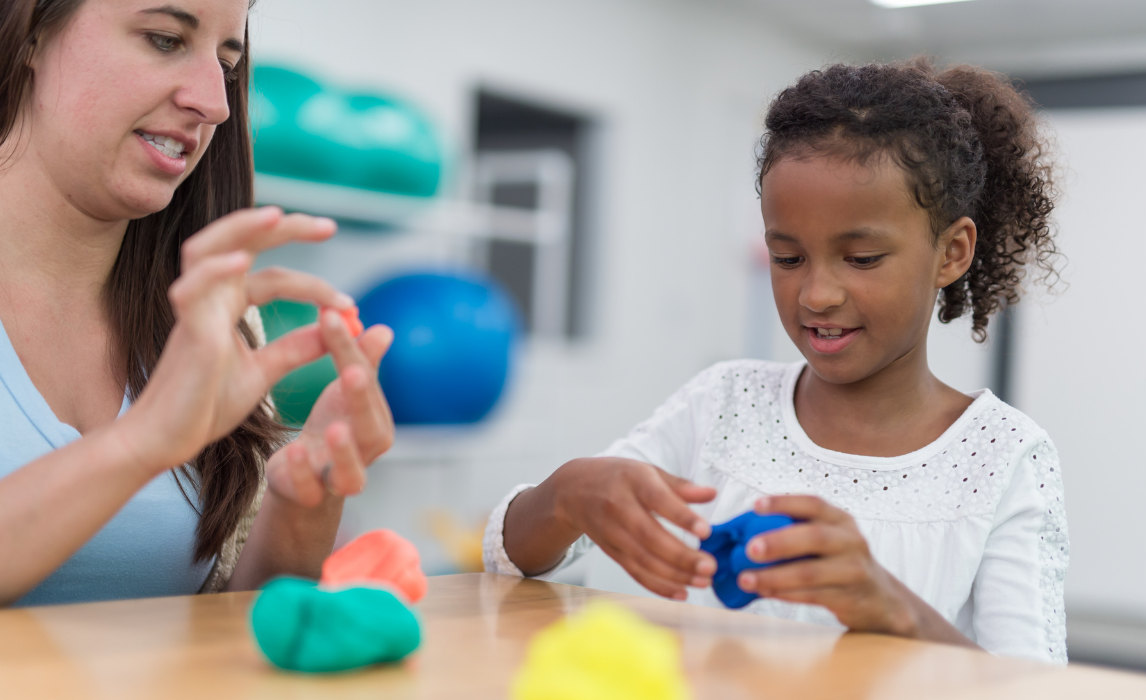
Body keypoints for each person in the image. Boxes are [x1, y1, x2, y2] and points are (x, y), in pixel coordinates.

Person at [485, 59, 1069, 664]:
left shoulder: (1003, 458)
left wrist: (893, 609)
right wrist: (565, 495)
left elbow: (1036, 685)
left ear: (951, 252)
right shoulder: (724, 404)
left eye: (862, 258)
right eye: (787, 259)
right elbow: (511, 557)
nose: (816, 294)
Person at [0, 0, 396, 607]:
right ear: (31, 34)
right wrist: (142, 442)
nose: (216, 104)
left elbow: (225, 632)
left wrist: (300, 501)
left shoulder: (212, 322)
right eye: (164, 40)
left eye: (228, 65)